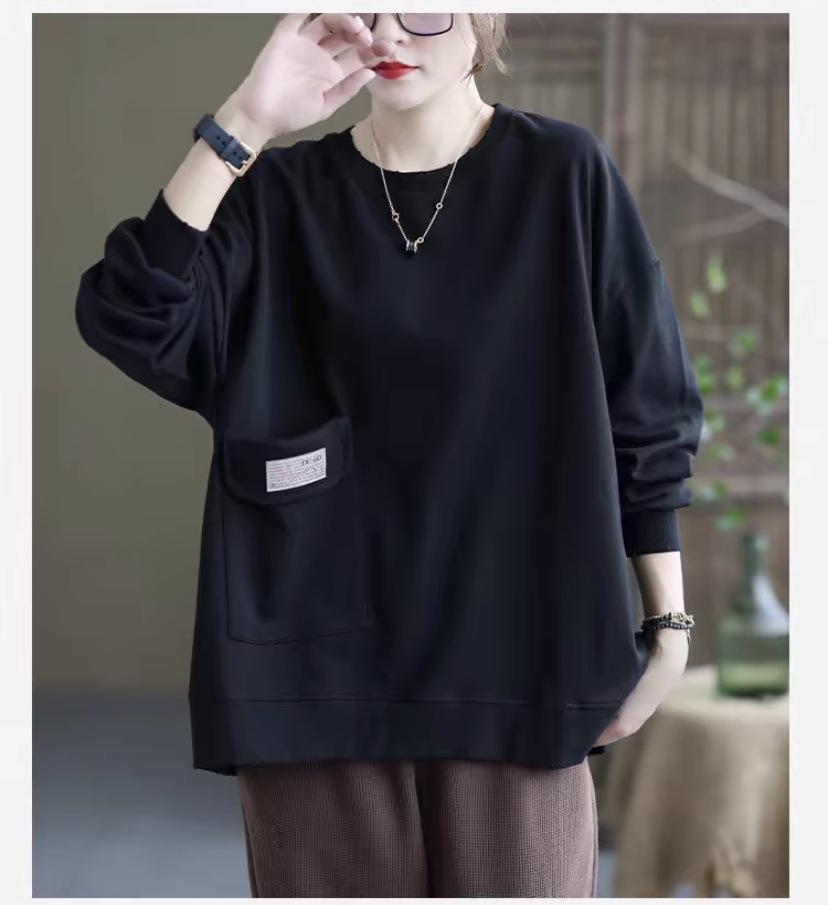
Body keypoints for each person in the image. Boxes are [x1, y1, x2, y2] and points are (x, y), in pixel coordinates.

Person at [74, 11, 703, 898]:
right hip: (314, 670)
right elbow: (130, 315)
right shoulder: (275, 194)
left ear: (485, 18)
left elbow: (648, 409)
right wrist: (245, 121)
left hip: (522, 657)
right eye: (365, 10)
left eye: (424, 9)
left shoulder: (563, 173)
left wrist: (668, 626)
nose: (390, 36)